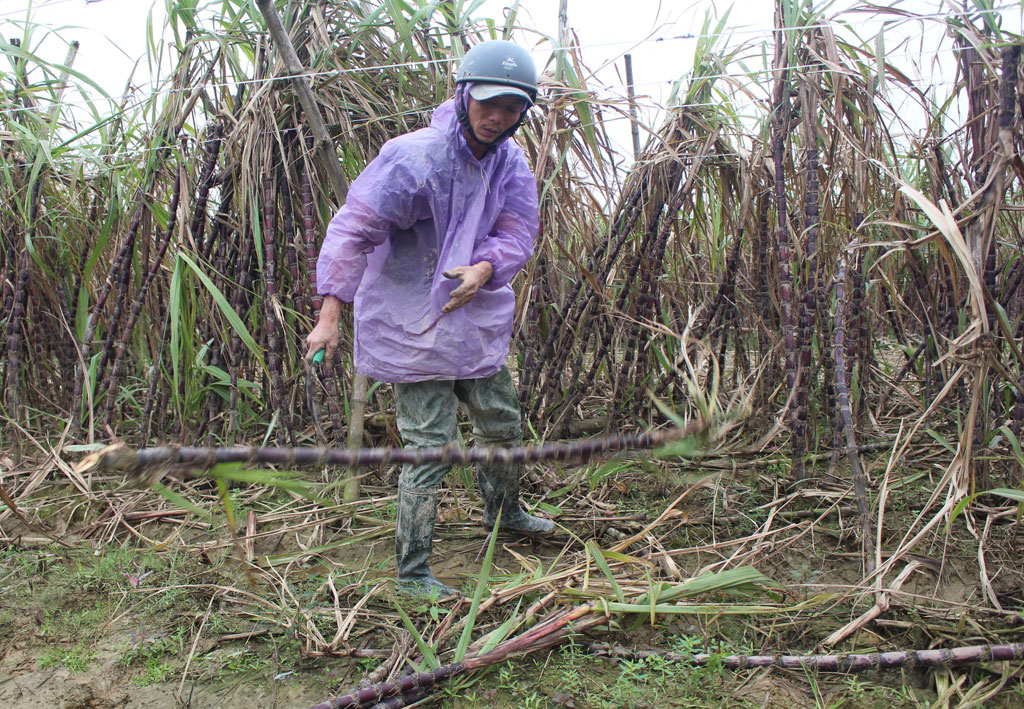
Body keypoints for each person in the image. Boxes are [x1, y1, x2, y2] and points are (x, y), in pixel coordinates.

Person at [305, 40, 555, 597]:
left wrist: (487, 267)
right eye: (488, 104)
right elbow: (354, 230)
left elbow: (518, 229)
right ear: (464, 95)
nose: (498, 118)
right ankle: (413, 572)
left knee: (502, 426)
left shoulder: (510, 161)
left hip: (474, 318)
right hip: (408, 322)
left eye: (513, 108)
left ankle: (504, 515)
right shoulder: (414, 157)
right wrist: (329, 315)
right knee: (430, 448)